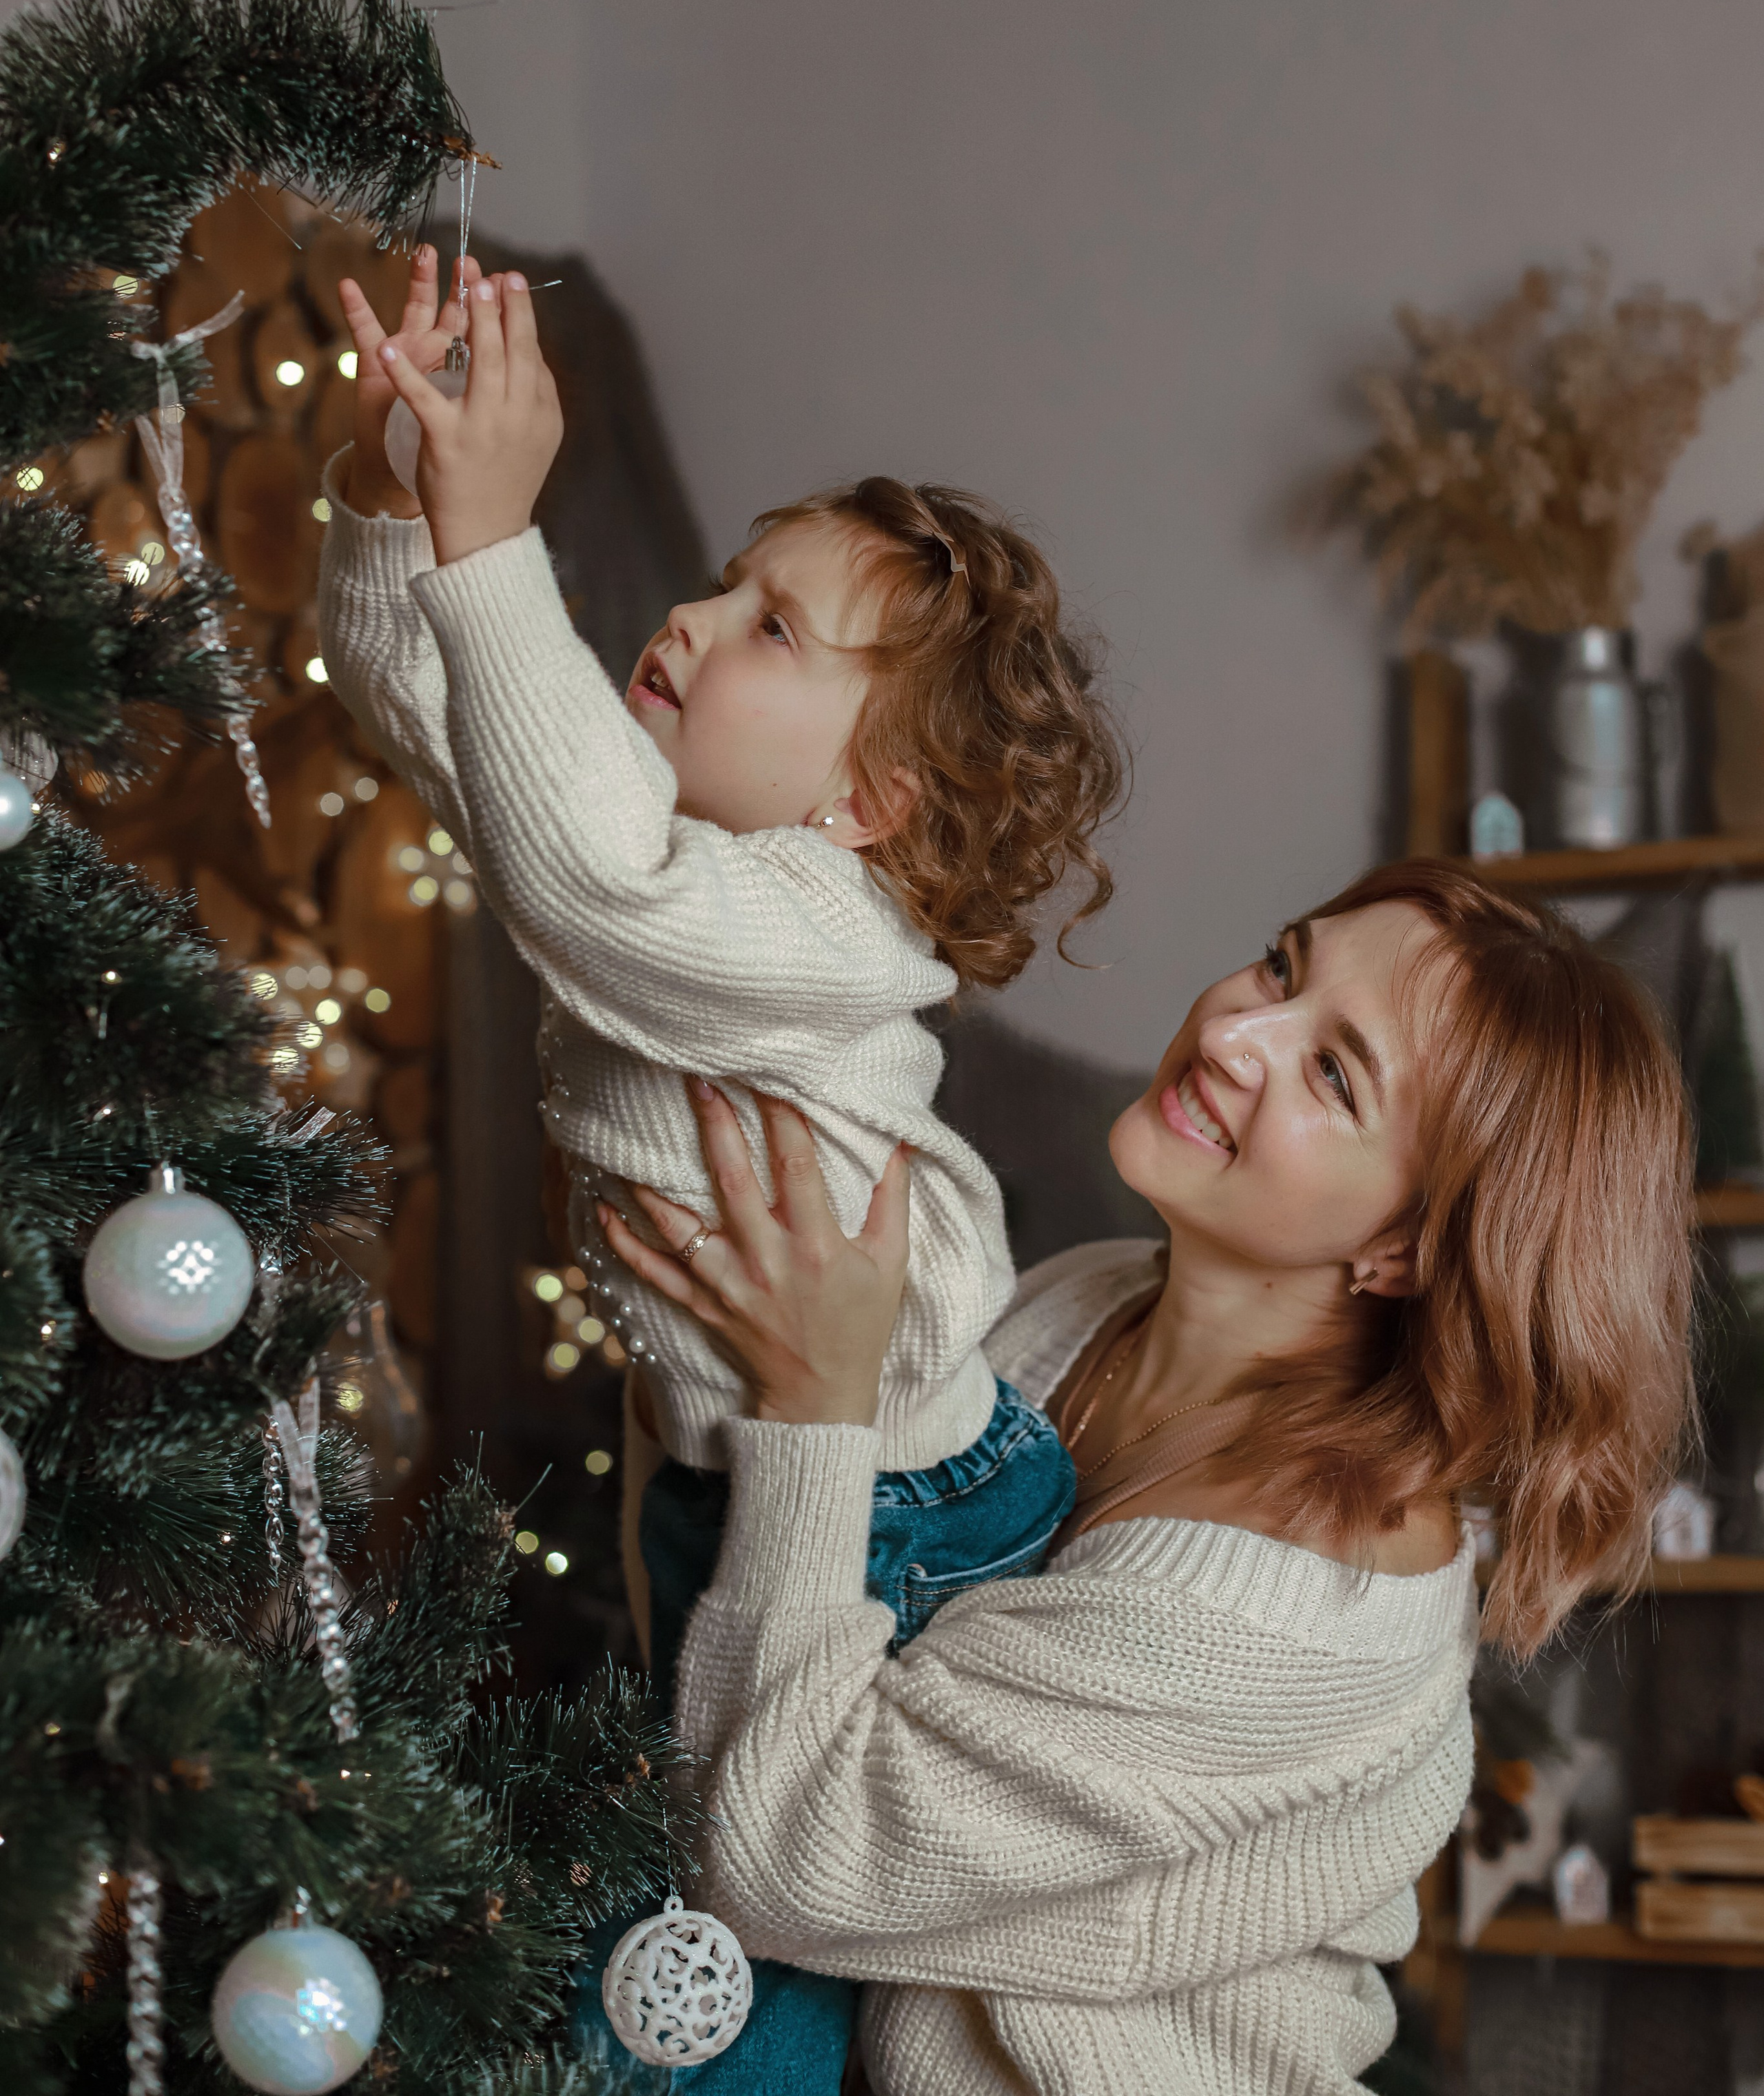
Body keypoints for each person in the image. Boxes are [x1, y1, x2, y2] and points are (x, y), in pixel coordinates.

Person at [314, 250, 1125, 2071]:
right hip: (728, 1480)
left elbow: (586, 866)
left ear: (871, 807)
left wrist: (494, 540)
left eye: (767, 625)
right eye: (719, 580)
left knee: (730, 1996)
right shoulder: (647, 844)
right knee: (671, 1958)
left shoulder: (819, 928)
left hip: (894, 1522)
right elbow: (431, 707)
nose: (680, 616)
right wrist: (400, 492)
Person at [600, 859, 1696, 2095]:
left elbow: (777, 1861)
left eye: (1335, 1073)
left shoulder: (1286, 1610)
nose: (1234, 1031)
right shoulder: (1090, 1298)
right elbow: (769, 1619)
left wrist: (814, 1410)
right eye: (1284, 963)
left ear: (1403, 1246)